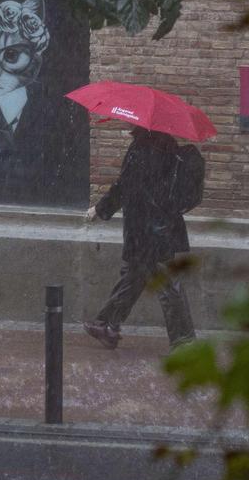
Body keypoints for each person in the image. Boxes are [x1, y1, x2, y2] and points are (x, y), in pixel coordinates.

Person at [83, 126, 196, 351]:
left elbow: (125, 186)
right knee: (134, 277)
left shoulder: (144, 147)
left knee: (166, 285)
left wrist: (100, 209)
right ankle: (107, 326)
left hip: (149, 230)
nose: (126, 123)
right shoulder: (166, 144)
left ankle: (185, 342)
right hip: (157, 226)